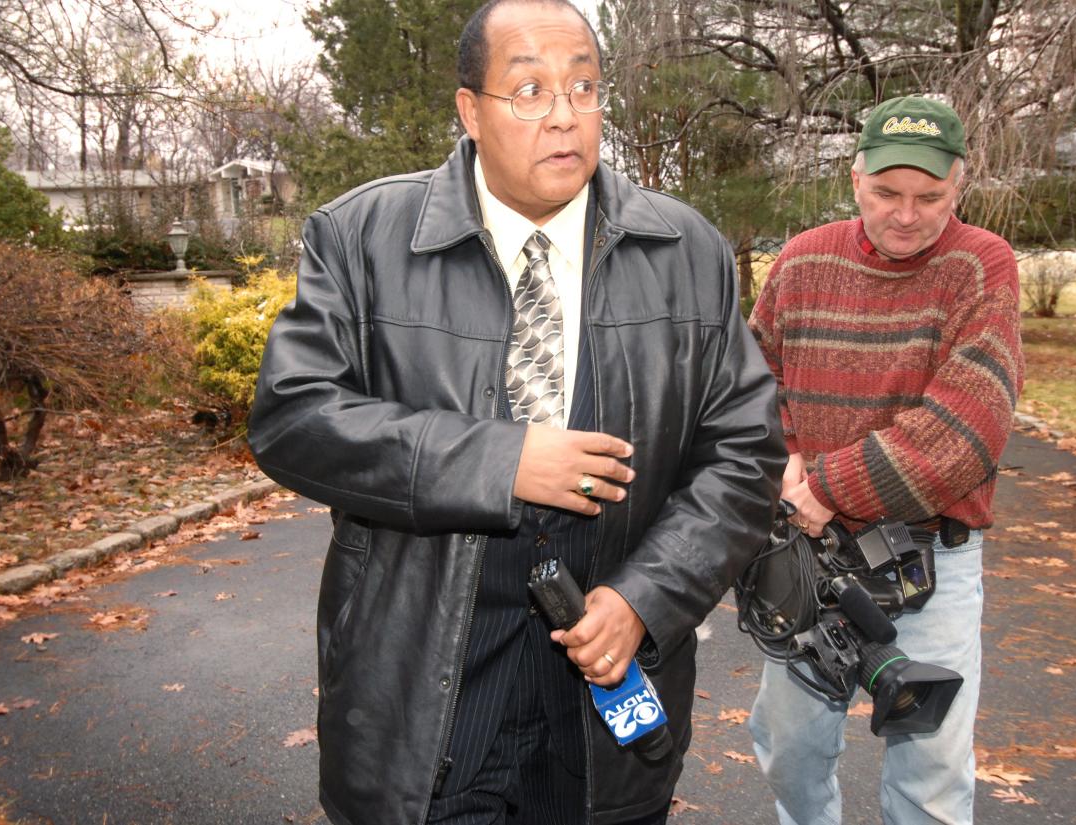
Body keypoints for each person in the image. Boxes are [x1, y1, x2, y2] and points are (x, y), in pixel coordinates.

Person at [247, 1, 785, 823]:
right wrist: (498, 460)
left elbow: (743, 453)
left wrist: (646, 597)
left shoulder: (687, 253)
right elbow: (291, 417)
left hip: (604, 687)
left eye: (584, 87)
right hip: (431, 688)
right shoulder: (361, 238)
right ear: (470, 110)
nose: (564, 114)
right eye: (529, 89)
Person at [746, 95, 1024, 825]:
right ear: (855, 176)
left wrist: (830, 482)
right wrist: (784, 455)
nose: (907, 213)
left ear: (958, 185)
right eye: (886, 193)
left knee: (930, 774)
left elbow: (968, 428)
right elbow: (748, 381)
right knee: (790, 746)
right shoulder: (804, 259)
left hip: (930, 559)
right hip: (809, 554)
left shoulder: (981, 265)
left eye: (930, 196)